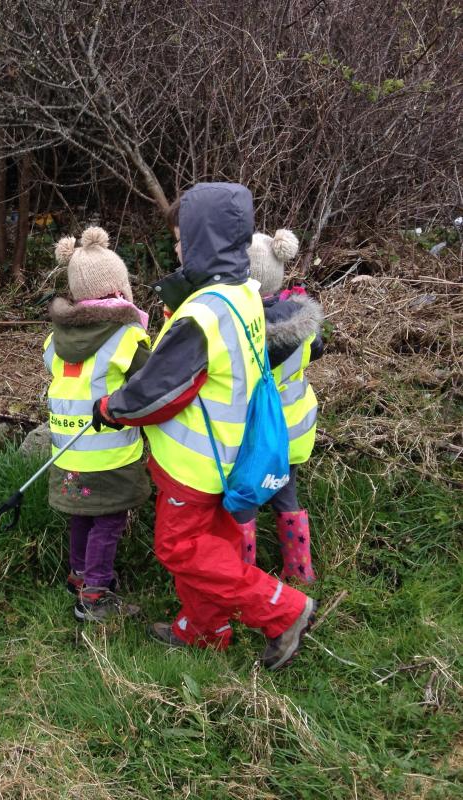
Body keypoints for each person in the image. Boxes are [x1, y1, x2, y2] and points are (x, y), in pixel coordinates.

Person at [91, 183, 318, 670]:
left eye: (181, 239)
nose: (176, 249)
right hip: (229, 454)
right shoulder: (244, 294)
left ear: (203, 239)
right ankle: (204, 629)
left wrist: (112, 408)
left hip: (193, 467)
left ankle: (283, 608)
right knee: (212, 548)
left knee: (181, 549)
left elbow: (162, 389)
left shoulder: (202, 313)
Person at [44, 226, 152, 622]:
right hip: (110, 453)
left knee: (82, 515)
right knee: (109, 521)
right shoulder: (125, 337)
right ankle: (95, 594)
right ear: (119, 289)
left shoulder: (57, 339)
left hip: (68, 451)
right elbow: (150, 381)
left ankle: (79, 574)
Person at [232, 229, 323, 584]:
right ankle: (301, 570)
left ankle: (243, 576)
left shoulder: (241, 327)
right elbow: (316, 352)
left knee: (245, 502)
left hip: (254, 435)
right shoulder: (305, 321)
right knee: (287, 497)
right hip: (295, 431)